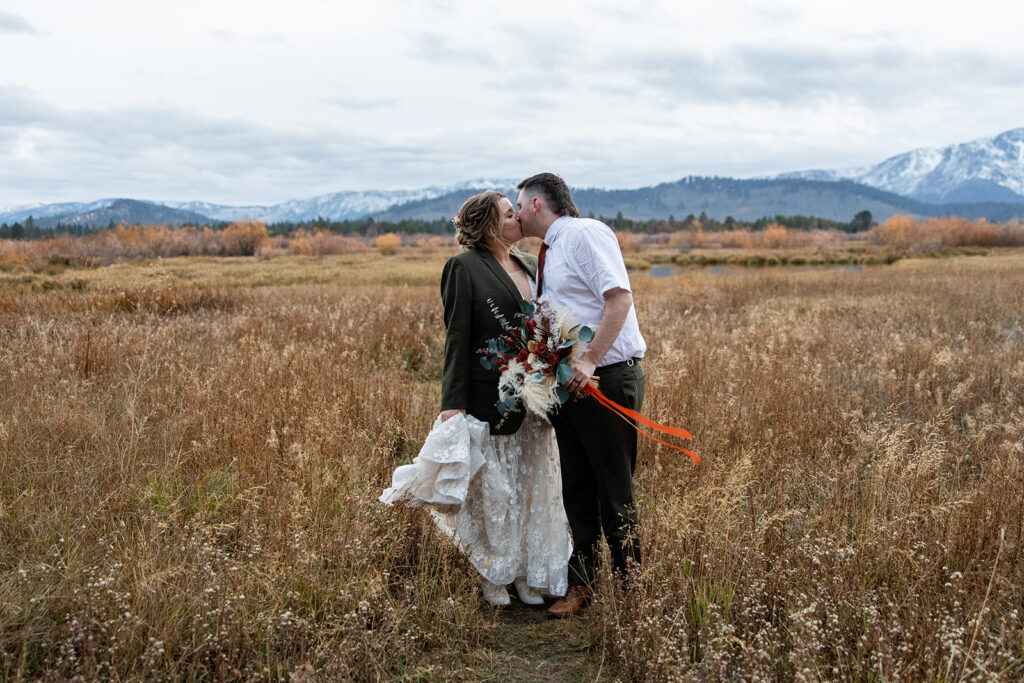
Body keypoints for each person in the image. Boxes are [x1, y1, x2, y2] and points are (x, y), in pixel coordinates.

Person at [516, 173, 647, 618]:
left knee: (614, 488)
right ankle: (583, 583)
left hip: (606, 379)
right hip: (568, 386)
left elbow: (619, 299)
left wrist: (589, 359)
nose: (515, 213)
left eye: (518, 204)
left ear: (536, 204)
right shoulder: (548, 250)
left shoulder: (584, 234)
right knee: (576, 486)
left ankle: (633, 590)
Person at [433, 190, 572, 606]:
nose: (519, 219)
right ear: (490, 225)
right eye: (510, 214)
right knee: (496, 490)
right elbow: (456, 338)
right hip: (488, 397)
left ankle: (528, 573)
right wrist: (450, 403)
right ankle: (495, 574)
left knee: (531, 484)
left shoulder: (531, 263)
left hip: (536, 398)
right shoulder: (463, 268)